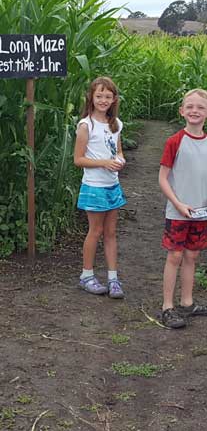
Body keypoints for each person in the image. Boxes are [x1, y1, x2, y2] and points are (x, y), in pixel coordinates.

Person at [159, 89, 207, 329]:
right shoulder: (175, 141)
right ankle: (167, 306)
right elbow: (163, 178)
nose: (194, 111)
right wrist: (177, 203)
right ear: (182, 111)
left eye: (200, 107)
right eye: (190, 107)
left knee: (192, 256)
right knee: (174, 256)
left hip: (200, 213)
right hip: (178, 211)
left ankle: (187, 302)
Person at [74, 76, 127, 298]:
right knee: (95, 231)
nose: (103, 100)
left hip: (112, 186)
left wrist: (119, 161)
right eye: (99, 96)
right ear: (91, 97)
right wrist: (104, 163)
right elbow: (78, 159)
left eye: (108, 96)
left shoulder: (116, 124)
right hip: (94, 186)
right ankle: (87, 275)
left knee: (111, 232)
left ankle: (113, 278)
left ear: (114, 99)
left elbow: (119, 151)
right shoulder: (86, 125)